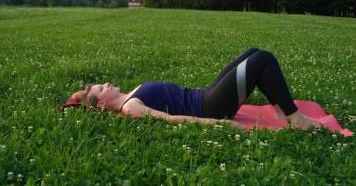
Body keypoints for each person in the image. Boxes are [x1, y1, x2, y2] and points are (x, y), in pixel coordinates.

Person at [62, 48, 318, 130]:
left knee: (253, 53)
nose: (105, 84)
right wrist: (218, 124)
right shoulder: (130, 108)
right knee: (263, 61)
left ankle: (281, 109)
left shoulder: (130, 93)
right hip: (212, 107)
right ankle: (295, 118)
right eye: (100, 88)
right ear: (103, 104)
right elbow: (173, 119)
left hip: (204, 94)